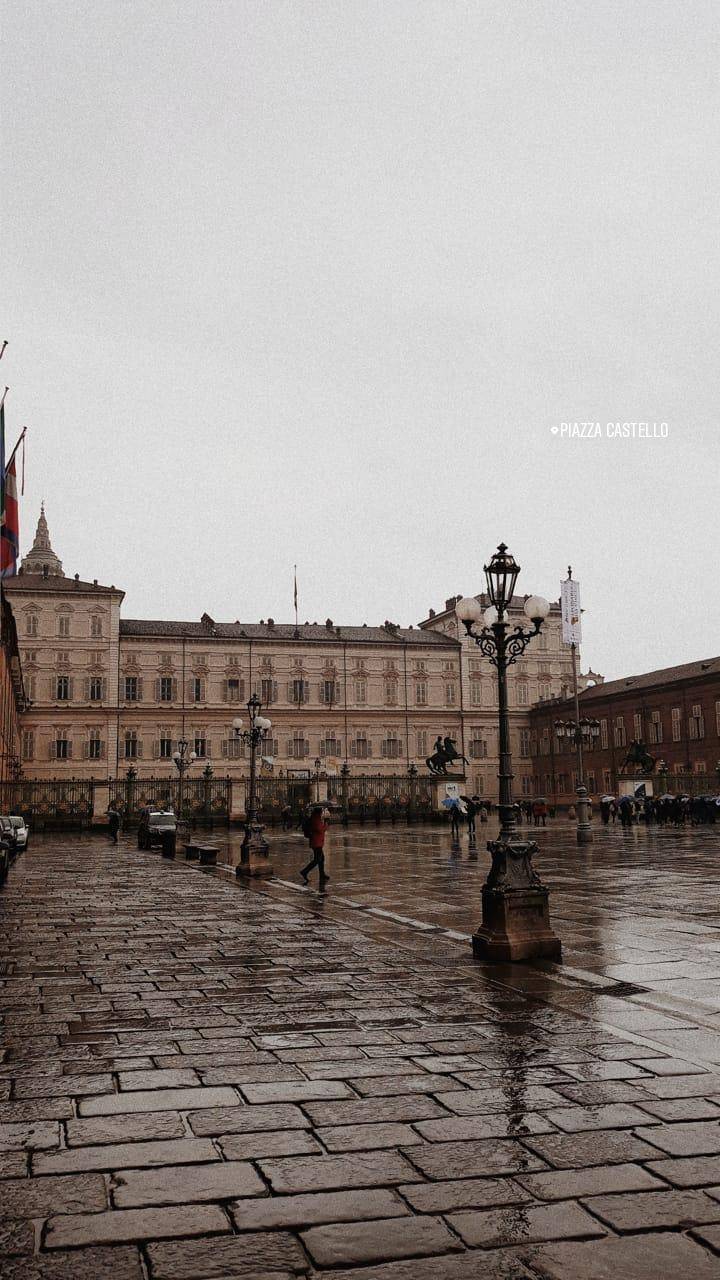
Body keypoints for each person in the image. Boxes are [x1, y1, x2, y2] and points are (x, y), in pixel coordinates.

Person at [300, 805, 329, 884]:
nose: (322, 812)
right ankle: (304, 871)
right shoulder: (316, 819)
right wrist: (326, 823)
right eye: (321, 811)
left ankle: (322, 874)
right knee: (317, 859)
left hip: (317, 841)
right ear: (319, 811)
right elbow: (321, 830)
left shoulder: (316, 818)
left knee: (321, 858)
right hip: (316, 842)